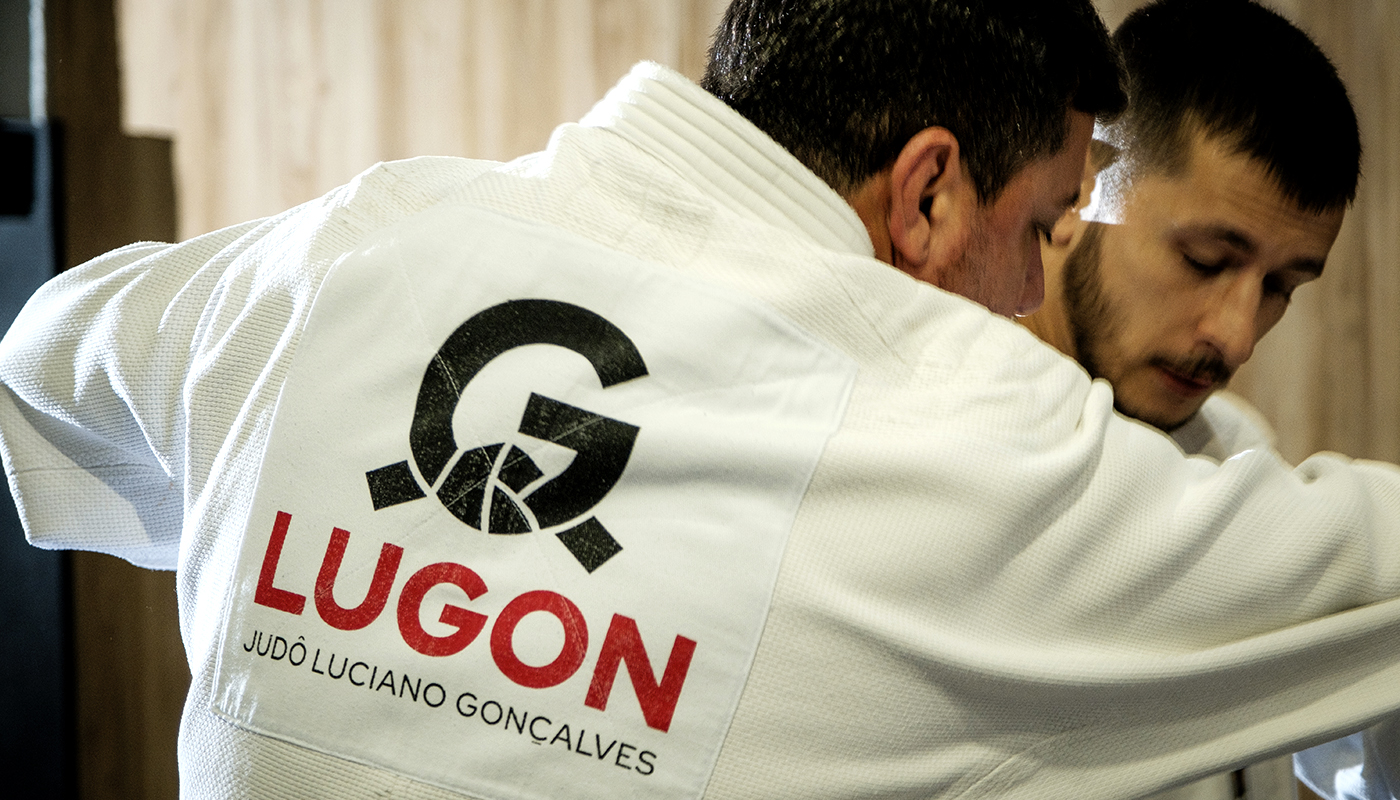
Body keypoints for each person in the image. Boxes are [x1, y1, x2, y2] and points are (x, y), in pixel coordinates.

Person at [3, 2, 1400, 799]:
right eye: (1039, 224)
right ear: (926, 190)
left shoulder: (348, 245)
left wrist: (296, 513)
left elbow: (42, 359)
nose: (1032, 287)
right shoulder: (965, 430)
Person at [1019, 3, 1387, 799]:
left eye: (1281, 287)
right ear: (1078, 189)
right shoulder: (948, 445)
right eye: (1206, 259)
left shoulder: (1237, 450)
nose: (1237, 336)